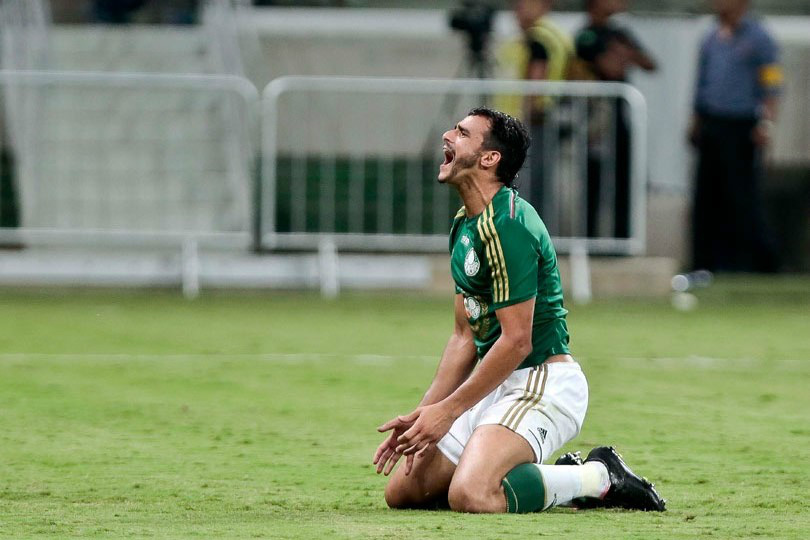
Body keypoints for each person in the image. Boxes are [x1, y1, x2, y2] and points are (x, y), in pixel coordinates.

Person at [373, 107, 665, 514]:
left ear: (489, 158)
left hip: (543, 380)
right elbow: (463, 336)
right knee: (405, 492)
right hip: (495, 384)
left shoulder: (509, 224)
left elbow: (517, 341)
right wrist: (425, 413)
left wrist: (450, 411)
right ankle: (508, 467)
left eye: (461, 133)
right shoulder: (465, 225)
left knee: (471, 494)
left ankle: (597, 477)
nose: (447, 135)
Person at [689, 0, 782, 272]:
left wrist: (767, 122)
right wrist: (695, 120)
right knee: (707, 195)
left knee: (740, 195)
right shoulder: (711, 36)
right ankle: (707, 262)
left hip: (741, 124)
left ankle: (755, 261)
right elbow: (702, 81)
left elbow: (772, 84)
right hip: (711, 121)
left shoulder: (758, 37)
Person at [573, 0, 656, 239]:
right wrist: (619, 55)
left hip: (619, 119)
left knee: (624, 180)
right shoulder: (586, 36)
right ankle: (589, 240)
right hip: (595, 122)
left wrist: (624, 53)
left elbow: (649, 63)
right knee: (594, 182)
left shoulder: (620, 33)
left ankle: (622, 239)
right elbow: (610, 68)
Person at [496, 0, 573, 232]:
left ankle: (524, 236)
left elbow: (535, 83)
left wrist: (521, 122)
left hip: (529, 122)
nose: (517, 9)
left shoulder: (539, 38)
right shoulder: (555, 35)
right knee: (538, 184)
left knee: (526, 185)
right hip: (542, 120)